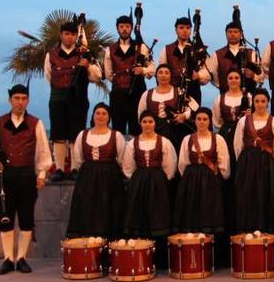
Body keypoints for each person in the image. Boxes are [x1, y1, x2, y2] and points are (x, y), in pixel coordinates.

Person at [0, 84, 52, 275]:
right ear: (10, 100)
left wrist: (42, 174)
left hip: (27, 176)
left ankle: (21, 258)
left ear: (28, 100)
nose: (20, 102)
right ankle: (7, 259)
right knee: (6, 219)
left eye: (24, 98)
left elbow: (43, 151)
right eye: (17, 98)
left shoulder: (36, 123)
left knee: (26, 219)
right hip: (5, 178)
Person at [46, 18, 102, 182]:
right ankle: (60, 170)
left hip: (78, 99)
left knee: (75, 135)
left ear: (77, 35)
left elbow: (97, 76)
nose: (69, 37)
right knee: (58, 134)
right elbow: (48, 76)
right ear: (61, 35)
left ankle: (75, 168)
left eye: (73, 34)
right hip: (57, 98)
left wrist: (87, 65)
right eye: (66, 34)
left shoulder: (83, 54)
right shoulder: (51, 55)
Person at [66, 103, 127, 240]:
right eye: (97, 113)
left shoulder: (116, 136)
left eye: (104, 113)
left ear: (109, 117)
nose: (100, 116)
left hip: (110, 177)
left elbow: (121, 158)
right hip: (87, 178)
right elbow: (78, 158)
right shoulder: (83, 134)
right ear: (93, 116)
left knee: (108, 209)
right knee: (87, 208)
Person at [231, 89, 274, 234]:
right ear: (253, 102)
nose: (260, 104)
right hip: (247, 162)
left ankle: (266, 228)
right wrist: (244, 162)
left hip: (267, 163)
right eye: (257, 101)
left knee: (265, 193)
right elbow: (237, 145)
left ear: (268, 102)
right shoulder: (243, 121)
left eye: (263, 101)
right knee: (247, 194)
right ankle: (247, 228)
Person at [174, 108, 230, 234]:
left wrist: (218, 179)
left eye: (205, 119)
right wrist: (190, 177)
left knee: (210, 212)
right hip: (191, 181)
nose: (202, 122)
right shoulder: (187, 139)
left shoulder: (218, 139)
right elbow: (183, 163)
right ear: (195, 121)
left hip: (211, 182)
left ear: (210, 121)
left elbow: (224, 163)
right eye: (199, 119)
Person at [121, 111, 177, 239]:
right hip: (139, 182)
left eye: (150, 122)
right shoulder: (132, 143)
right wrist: (138, 177)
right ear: (140, 123)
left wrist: (162, 179)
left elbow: (170, 165)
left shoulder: (164, 142)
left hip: (158, 181)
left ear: (155, 124)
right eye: (144, 122)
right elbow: (128, 166)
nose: (147, 125)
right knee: (138, 212)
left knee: (157, 213)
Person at [104, 13, 155, 136]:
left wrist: (142, 70)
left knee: (137, 130)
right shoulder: (110, 49)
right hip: (117, 94)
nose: (124, 29)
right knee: (117, 131)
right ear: (117, 28)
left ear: (132, 28)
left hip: (137, 94)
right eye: (121, 26)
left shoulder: (141, 47)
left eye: (127, 26)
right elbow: (108, 74)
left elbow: (152, 69)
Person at [138, 64, 199, 152]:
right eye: (160, 73)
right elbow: (140, 115)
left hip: (175, 132)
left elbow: (194, 108)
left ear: (171, 76)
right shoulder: (147, 94)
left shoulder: (179, 92)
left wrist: (184, 116)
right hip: (153, 132)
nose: (163, 75)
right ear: (156, 75)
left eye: (166, 73)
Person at [159, 16, 211, 106]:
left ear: (191, 30)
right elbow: (160, 72)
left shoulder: (199, 49)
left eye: (188, 28)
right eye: (181, 28)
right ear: (176, 30)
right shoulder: (167, 49)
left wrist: (198, 75)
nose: (185, 30)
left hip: (193, 92)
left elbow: (208, 72)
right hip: (172, 92)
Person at [207, 13, 264, 94]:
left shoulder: (251, 53)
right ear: (226, 34)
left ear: (240, 34)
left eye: (235, 32)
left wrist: (253, 76)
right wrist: (223, 85)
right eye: (230, 32)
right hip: (226, 96)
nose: (233, 34)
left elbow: (262, 75)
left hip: (248, 96)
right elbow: (213, 76)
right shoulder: (218, 54)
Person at [211, 68, 251, 174]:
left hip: (244, 132)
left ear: (240, 80)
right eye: (230, 78)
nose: (234, 80)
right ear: (227, 81)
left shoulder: (248, 97)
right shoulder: (220, 98)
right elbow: (217, 120)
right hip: (226, 133)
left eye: (236, 78)